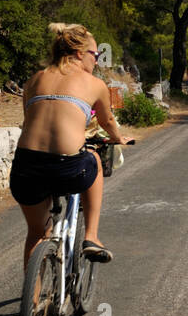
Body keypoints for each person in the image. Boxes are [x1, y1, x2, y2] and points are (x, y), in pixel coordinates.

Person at [11, 24, 133, 267]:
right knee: (95, 161)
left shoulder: (34, 80)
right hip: (67, 168)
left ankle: (33, 302)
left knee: (36, 233)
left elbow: (30, 117)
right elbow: (107, 120)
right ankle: (92, 236)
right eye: (95, 55)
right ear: (79, 54)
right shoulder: (94, 83)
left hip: (25, 167)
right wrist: (118, 137)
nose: (97, 62)